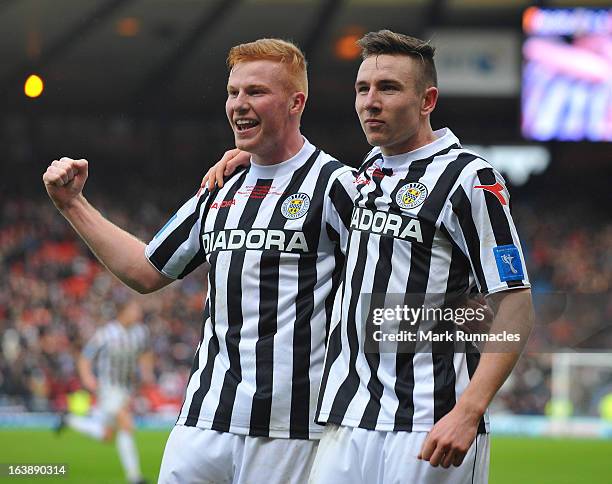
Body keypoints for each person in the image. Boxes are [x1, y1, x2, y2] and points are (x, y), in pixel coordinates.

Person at [202, 30, 534, 483]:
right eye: (363, 89)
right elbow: (297, 167)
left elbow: (513, 305)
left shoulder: (469, 179)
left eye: (389, 88)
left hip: (427, 422)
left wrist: (469, 411)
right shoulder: (364, 175)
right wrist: (250, 156)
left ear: (427, 100)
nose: (370, 102)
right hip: (347, 421)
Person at [43, 38, 355, 484]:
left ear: (295, 102)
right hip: (203, 418)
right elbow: (146, 270)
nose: (239, 105)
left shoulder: (337, 185)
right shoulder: (221, 187)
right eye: (233, 92)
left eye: (256, 92)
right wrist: (72, 204)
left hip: (289, 429)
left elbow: (388, 280)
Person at [56, 298, 152, 484]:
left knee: (107, 435)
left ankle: (70, 420)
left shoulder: (140, 332)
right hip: (108, 388)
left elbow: (146, 352)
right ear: (123, 312)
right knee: (126, 424)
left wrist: (146, 372)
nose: (138, 314)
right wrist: (88, 379)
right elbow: (85, 358)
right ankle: (134, 477)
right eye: (134, 309)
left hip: (126, 388)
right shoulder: (106, 334)